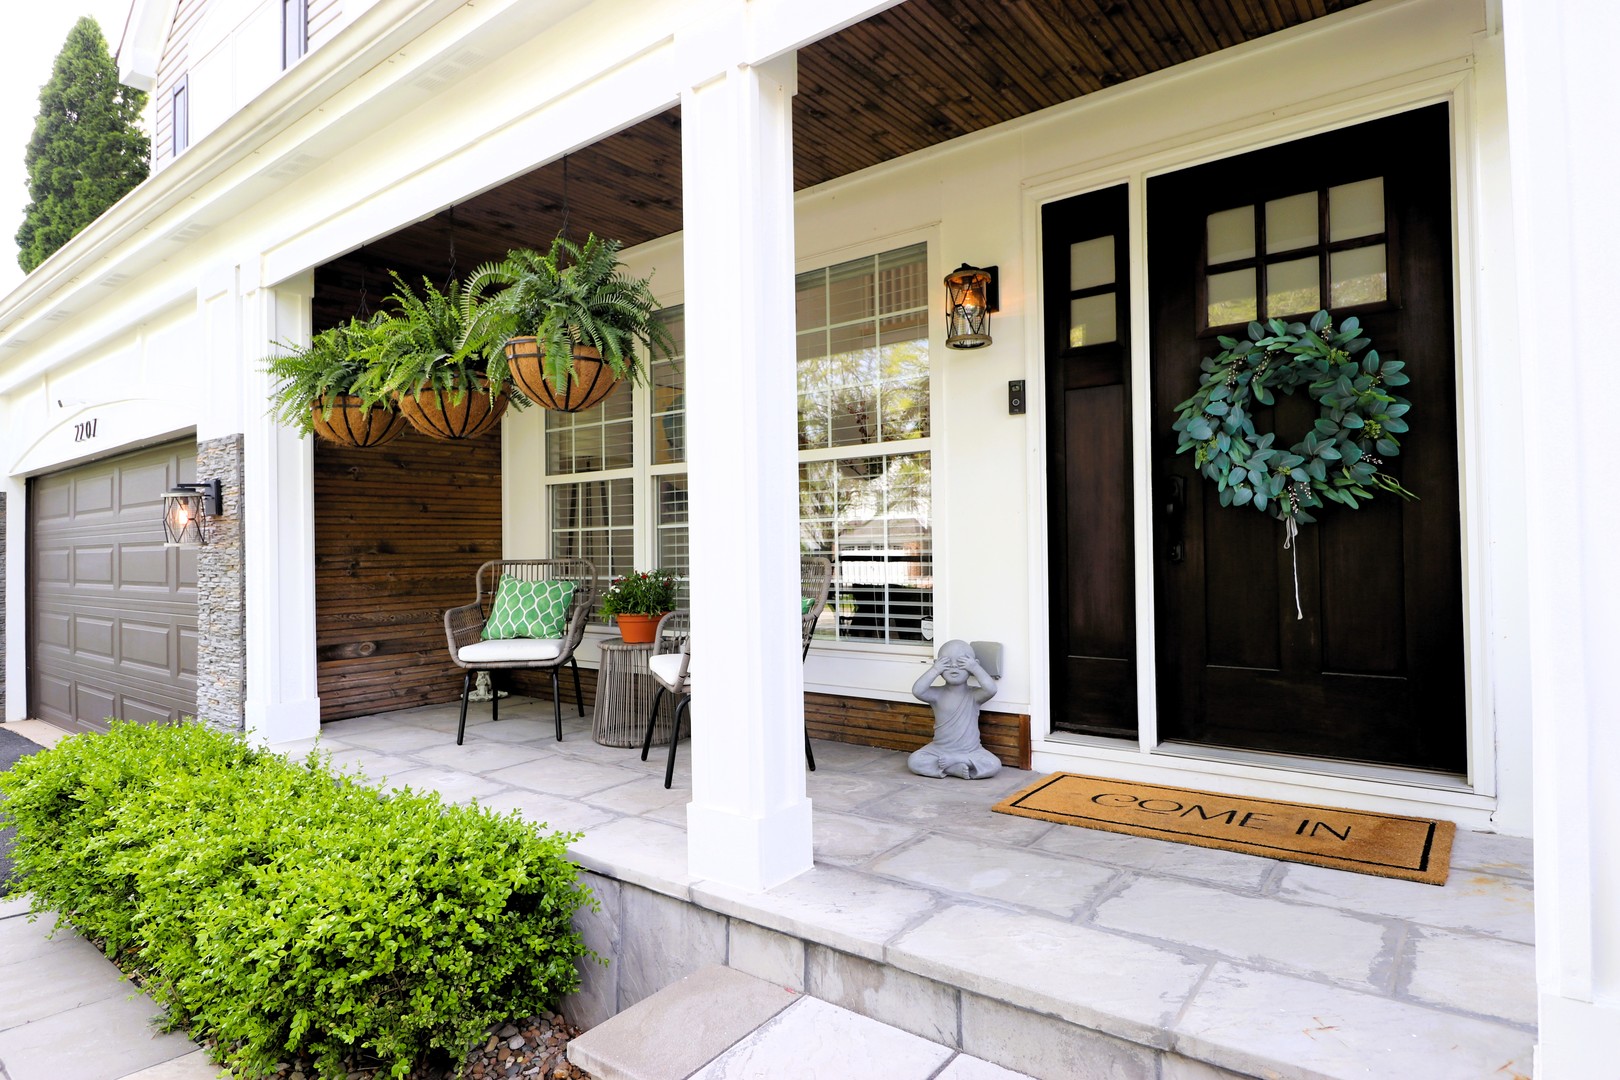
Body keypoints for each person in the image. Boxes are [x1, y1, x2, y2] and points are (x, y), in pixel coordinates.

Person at [908, 639, 1001, 779]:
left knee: (994, 764)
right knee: (914, 761)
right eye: (946, 662)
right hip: (939, 750)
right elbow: (917, 691)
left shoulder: (974, 695)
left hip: (970, 751)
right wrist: (935, 670)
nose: (953, 666)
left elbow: (991, 689)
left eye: (961, 662)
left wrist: (974, 668)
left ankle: (954, 761)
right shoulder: (936, 694)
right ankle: (954, 767)